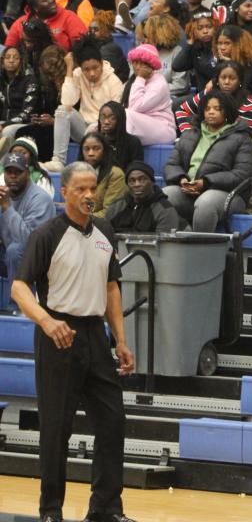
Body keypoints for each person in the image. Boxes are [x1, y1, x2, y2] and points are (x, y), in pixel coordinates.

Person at [11, 161, 135, 522]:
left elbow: (112, 286)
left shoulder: (105, 231)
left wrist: (121, 340)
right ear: (63, 192)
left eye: (92, 188)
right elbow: (20, 287)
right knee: (56, 428)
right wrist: (47, 321)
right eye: (80, 189)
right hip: (58, 335)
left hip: (96, 335)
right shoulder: (47, 234)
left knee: (113, 421)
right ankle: (51, 511)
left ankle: (105, 509)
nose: (88, 195)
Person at [164, 90, 252, 232]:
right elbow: (172, 164)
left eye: (217, 108)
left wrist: (205, 182)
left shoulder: (242, 138)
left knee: (206, 202)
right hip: (189, 191)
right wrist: (182, 179)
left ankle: (201, 250)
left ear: (227, 111)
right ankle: (180, 238)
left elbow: (242, 174)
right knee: (164, 195)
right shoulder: (190, 133)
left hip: (229, 195)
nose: (211, 112)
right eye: (207, 109)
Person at [42, 37, 123, 173]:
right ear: (80, 67)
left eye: (95, 68)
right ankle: (58, 161)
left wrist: (100, 126)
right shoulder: (78, 74)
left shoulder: (113, 81)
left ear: (101, 64)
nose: (91, 73)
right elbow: (67, 102)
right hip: (83, 127)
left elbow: (118, 114)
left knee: (93, 127)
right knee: (62, 110)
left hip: (104, 130)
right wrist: (69, 69)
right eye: (86, 69)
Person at [0, 151, 55, 284]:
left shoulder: (40, 199)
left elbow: (29, 241)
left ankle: (17, 304)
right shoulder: (3, 195)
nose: (13, 176)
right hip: (9, 254)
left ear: (28, 173)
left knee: (15, 250)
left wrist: (7, 207)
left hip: (40, 259)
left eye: (18, 172)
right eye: (9, 172)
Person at [104, 160, 181, 233]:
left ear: (152, 182)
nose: (137, 184)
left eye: (142, 179)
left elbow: (165, 244)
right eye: (132, 181)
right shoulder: (116, 206)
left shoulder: (165, 210)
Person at [123, 44, 176, 145]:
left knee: (125, 115)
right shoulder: (133, 81)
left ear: (151, 64)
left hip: (164, 128)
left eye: (142, 63)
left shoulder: (159, 83)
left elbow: (135, 107)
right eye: (135, 62)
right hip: (144, 125)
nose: (138, 67)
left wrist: (140, 78)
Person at [4, 0, 87, 53]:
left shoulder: (68, 17)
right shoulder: (22, 23)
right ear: (35, 8)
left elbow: (83, 46)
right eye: (45, 0)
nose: (51, 1)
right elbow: (9, 49)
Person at [136, 13, 189, 99]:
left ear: (159, 34)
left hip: (167, 98)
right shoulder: (141, 52)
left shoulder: (177, 52)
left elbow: (180, 85)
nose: (144, 40)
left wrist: (152, 90)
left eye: (147, 36)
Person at [98, 102, 142, 171]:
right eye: (103, 117)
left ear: (120, 120)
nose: (106, 122)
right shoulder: (97, 141)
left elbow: (135, 171)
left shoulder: (133, 142)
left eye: (112, 118)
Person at [86, 10, 129, 83]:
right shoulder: (95, 45)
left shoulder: (108, 49)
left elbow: (103, 76)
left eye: (96, 30)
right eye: (90, 30)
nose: (91, 33)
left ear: (106, 31)